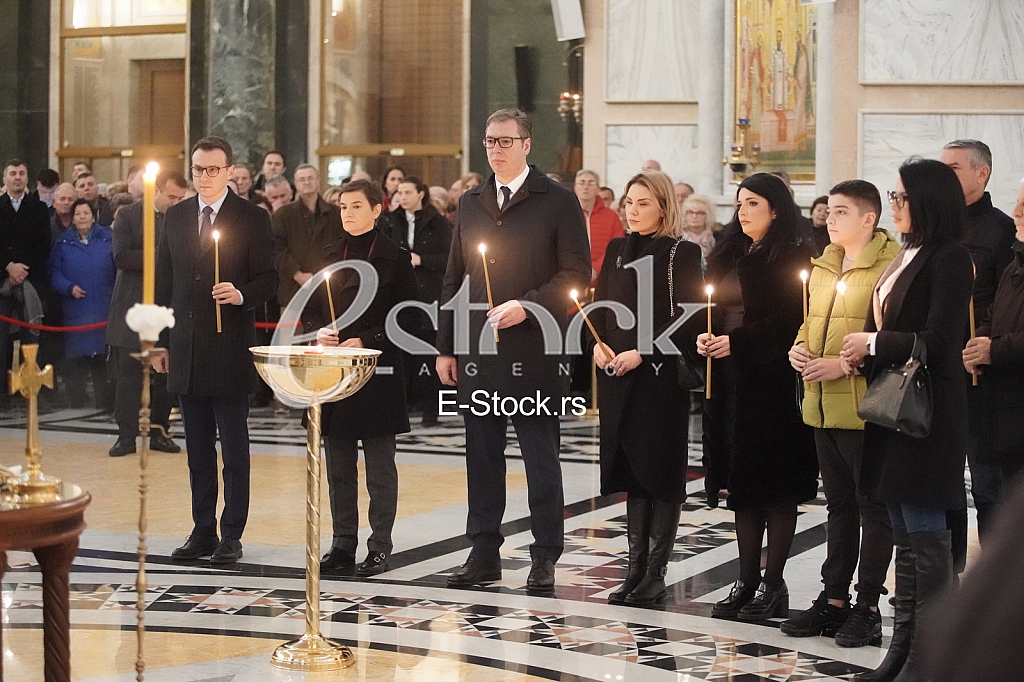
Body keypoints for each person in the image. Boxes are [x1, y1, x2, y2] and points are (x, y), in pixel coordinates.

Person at [437, 108, 591, 592]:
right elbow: (452, 278)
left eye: (505, 141)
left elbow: (576, 275)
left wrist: (527, 307)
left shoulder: (558, 202)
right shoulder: (470, 203)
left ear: (527, 144)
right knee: (481, 457)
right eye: (489, 141)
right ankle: (483, 553)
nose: (496, 149)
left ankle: (545, 555)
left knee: (539, 458)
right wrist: (445, 346)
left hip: (538, 350)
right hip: (480, 351)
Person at [839, 158, 973, 682]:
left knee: (922, 527)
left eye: (899, 197)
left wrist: (873, 342)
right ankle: (902, 650)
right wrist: (863, 353)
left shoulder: (950, 258)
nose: (893, 206)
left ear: (927, 201)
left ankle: (928, 658)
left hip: (927, 411)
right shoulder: (904, 255)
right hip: (892, 404)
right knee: (900, 526)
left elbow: (942, 342)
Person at [782, 180, 899, 647]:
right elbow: (810, 323)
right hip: (823, 407)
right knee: (839, 507)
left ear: (869, 218)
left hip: (863, 408)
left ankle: (867, 605)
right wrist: (798, 350)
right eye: (829, 211)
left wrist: (847, 363)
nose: (829, 219)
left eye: (841, 212)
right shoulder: (824, 265)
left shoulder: (889, 268)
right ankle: (833, 600)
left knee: (873, 507)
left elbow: (893, 338)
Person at [697, 172, 817, 621]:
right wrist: (707, 339)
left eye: (753, 204)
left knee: (775, 488)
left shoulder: (793, 256)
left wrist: (739, 343)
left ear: (776, 209)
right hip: (730, 381)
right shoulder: (730, 251)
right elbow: (715, 308)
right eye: (740, 203)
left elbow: (793, 322)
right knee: (742, 488)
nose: (743, 211)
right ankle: (746, 581)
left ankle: (773, 584)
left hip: (773, 384)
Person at [154, 136, 277, 564]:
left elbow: (270, 280)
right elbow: (164, 283)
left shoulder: (251, 217)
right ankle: (202, 529)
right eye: (197, 170)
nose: (203, 177)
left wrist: (241, 293)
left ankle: (232, 533)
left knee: (234, 447)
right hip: (186, 348)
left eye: (212, 170)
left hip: (228, 347)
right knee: (198, 449)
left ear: (229, 171)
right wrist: (158, 340)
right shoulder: (176, 216)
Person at [591, 170, 703, 606]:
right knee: (632, 474)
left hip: (659, 380)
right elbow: (599, 307)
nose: (632, 210)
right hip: (618, 375)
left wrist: (644, 351)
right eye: (628, 202)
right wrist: (597, 346)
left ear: (663, 206)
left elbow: (688, 316)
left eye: (642, 203)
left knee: (660, 472)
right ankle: (633, 570)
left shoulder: (682, 252)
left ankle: (655, 573)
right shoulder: (618, 249)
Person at [309, 179, 418, 577]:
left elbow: (409, 316)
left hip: (379, 372)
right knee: (338, 464)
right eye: (343, 207)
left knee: (379, 466)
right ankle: (342, 543)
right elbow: (313, 310)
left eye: (356, 206)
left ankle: (380, 545)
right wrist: (319, 330)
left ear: (377, 209)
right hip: (335, 373)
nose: (348, 213)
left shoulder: (394, 257)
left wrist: (366, 339)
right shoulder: (329, 254)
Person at [940, 139, 1017, 554]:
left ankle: (992, 591)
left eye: (953, 167)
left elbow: (1005, 301)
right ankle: (943, 583)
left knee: (988, 486)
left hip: (981, 373)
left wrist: (986, 340)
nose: (943, 175)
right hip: (938, 370)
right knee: (943, 484)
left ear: (981, 173)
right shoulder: (933, 226)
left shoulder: (1002, 229)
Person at [106, 170, 187, 457]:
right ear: (157, 191)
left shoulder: (181, 219)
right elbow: (121, 256)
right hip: (131, 305)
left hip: (166, 308)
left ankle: (159, 431)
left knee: (165, 374)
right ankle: (126, 435)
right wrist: (158, 256)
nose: (175, 203)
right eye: (171, 196)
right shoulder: (128, 215)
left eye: (180, 197)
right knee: (128, 375)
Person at [963, 182, 1024, 505]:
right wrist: (980, 341)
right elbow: (993, 311)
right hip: (1004, 407)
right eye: (1017, 203)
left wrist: (993, 349)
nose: (1016, 213)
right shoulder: (1017, 263)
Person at [390, 176, 452, 427]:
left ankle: (430, 411)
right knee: (400, 356)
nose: (402, 197)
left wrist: (421, 260)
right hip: (399, 297)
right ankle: (400, 409)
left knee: (428, 353)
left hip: (429, 296)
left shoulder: (437, 222)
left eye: (407, 192)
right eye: (399, 192)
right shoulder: (391, 221)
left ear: (420, 194)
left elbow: (448, 258)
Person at [49, 199, 115, 409]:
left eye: (86, 213)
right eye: (78, 214)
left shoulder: (108, 239)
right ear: (72, 219)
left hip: (104, 309)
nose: (82, 217)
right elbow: (54, 273)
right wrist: (68, 288)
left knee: (102, 362)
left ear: (93, 215)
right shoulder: (62, 244)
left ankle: (105, 404)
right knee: (77, 361)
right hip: (77, 310)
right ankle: (77, 403)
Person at [0, 159, 53, 392]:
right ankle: (3, 391)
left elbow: (44, 245)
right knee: (1, 340)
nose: (17, 177)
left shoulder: (38, 208)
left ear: (27, 178)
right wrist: (8, 267)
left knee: (31, 336)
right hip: (2, 279)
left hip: (30, 279)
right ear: (5, 179)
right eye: (13, 173)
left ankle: (30, 390)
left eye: (22, 173)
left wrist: (22, 269)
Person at [271, 164, 343, 309]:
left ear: (318, 180)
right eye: (302, 179)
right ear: (296, 184)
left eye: (310, 178)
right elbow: (277, 249)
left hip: (329, 288)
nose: (306, 182)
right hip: (292, 290)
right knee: (293, 331)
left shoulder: (336, 214)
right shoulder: (283, 215)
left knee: (328, 331)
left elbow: (341, 247)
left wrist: (322, 276)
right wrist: (297, 274)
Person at [574, 170, 624, 285]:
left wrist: (596, 269)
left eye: (591, 183)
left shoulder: (611, 216)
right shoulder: (565, 214)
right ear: (575, 187)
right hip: (572, 277)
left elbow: (618, 246)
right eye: (581, 182)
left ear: (597, 189)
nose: (586, 187)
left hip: (604, 278)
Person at [680, 194, 720, 259]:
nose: (694, 216)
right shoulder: (677, 236)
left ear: (708, 215)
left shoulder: (717, 236)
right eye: (690, 212)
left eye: (699, 213)